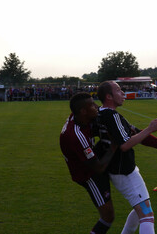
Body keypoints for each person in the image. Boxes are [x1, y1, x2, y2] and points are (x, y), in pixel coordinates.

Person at [97, 81, 157, 234]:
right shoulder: (111, 115)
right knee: (147, 215)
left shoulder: (101, 112)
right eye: (119, 90)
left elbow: (130, 133)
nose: (123, 93)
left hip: (118, 169)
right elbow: (125, 145)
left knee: (139, 208)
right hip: (124, 171)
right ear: (109, 96)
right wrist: (150, 129)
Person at [59, 92, 117, 234]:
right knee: (108, 216)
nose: (96, 106)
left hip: (92, 163)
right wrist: (114, 145)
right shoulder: (75, 136)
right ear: (83, 111)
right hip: (88, 175)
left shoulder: (83, 118)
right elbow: (98, 168)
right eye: (92, 104)